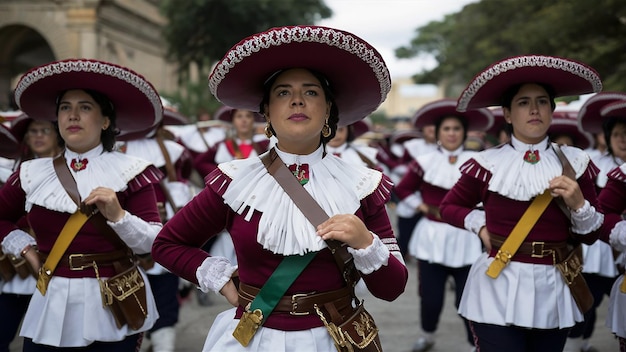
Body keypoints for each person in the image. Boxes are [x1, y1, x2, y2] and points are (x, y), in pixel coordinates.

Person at [152, 25, 408, 351]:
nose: (297, 100)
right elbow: (168, 244)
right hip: (252, 338)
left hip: (335, 339)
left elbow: (392, 288)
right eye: (283, 93)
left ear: (329, 110)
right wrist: (219, 279)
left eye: (311, 92)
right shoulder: (234, 181)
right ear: (267, 113)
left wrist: (365, 242)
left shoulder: (363, 185)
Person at [439, 55, 608, 352]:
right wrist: (480, 227)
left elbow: (592, 235)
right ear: (506, 113)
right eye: (523, 103)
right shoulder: (486, 163)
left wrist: (579, 202)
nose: (534, 109)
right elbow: (450, 207)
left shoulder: (577, 161)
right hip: (498, 283)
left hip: (554, 285)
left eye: (542, 102)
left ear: (552, 110)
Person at [0, 58, 164, 351]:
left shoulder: (133, 171)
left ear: (105, 121)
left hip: (115, 304)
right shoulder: (30, 172)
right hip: (51, 299)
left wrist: (119, 216)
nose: (72, 115)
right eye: (65, 107)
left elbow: (154, 244)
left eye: (85, 107)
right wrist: (26, 250)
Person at [394, 98, 493, 352]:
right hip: (432, 237)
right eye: (446, 129)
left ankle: (475, 344)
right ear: (438, 133)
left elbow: (491, 193)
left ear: (464, 132)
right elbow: (403, 189)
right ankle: (427, 335)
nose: (451, 133)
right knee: (431, 298)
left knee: (468, 297)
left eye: (456, 129)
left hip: (466, 236)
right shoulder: (425, 160)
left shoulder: (478, 160)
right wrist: (422, 206)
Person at [115, 106, 195, 352]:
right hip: (123, 243)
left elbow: (182, 186)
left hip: (165, 238)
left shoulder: (173, 152)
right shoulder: (114, 151)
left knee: (165, 302)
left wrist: (170, 218)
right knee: (123, 307)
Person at [564, 93, 626, 352]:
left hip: (618, 254)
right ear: (607, 139)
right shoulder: (593, 165)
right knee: (586, 298)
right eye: (617, 135)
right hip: (594, 245)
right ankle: (577, 343)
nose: (623, 139)